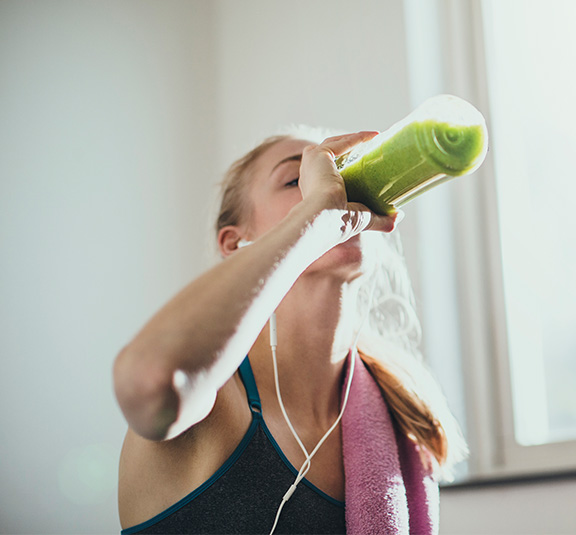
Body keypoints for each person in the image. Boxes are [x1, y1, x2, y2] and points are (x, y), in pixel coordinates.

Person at [113, 128, 466, 534]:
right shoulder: (213, 403)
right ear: (234, 243)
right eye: (296, 180)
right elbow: (148, 377)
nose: (335, 189)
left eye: (340, 173)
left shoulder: (400, 419)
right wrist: (315, 218)